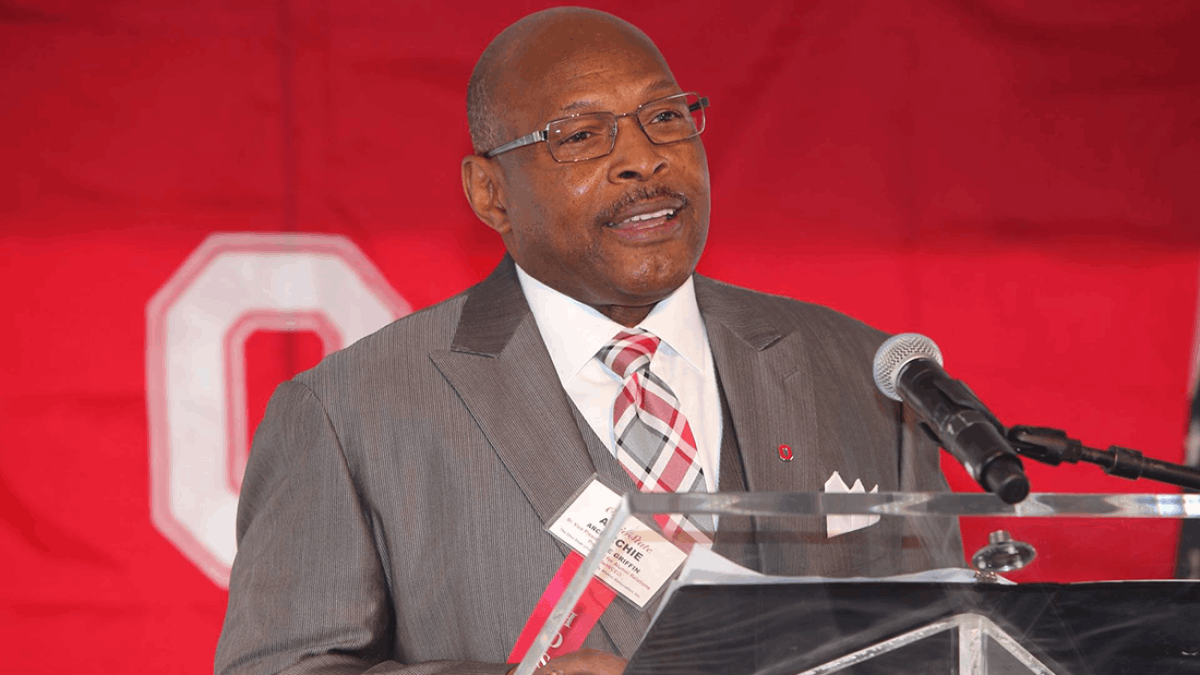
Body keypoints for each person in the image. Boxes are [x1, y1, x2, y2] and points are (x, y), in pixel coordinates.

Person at [215, 7, 962, 675]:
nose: (644, 158)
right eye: (580, 135)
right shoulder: (349, 412)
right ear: (490, 193)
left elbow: (952, 642)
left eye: (665, 117)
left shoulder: (865, 372)